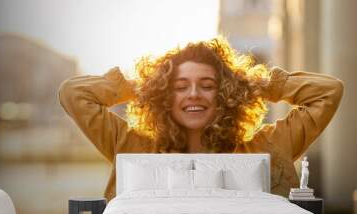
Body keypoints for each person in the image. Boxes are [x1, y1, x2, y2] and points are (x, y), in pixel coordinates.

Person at [58, 37, 344, 202]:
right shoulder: (131, 146)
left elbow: (328, 93)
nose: (194, 94)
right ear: (164, 96)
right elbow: (74, 94)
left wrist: (253, 83)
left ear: (227, 94)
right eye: (180, 87)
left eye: (207, 85)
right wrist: (146, 85)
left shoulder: (270, 146)